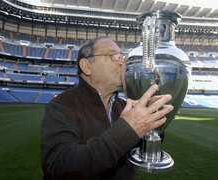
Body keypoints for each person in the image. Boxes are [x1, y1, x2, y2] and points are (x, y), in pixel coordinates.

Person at [41, 37, 174, 180]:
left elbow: (143, 148)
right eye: (114, 56)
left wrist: (153, 121)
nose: (123, 61)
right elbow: (58, 167)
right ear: (86, 66)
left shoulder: (124, 106)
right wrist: (128, 128)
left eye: (122, 56)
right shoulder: (61, 106)